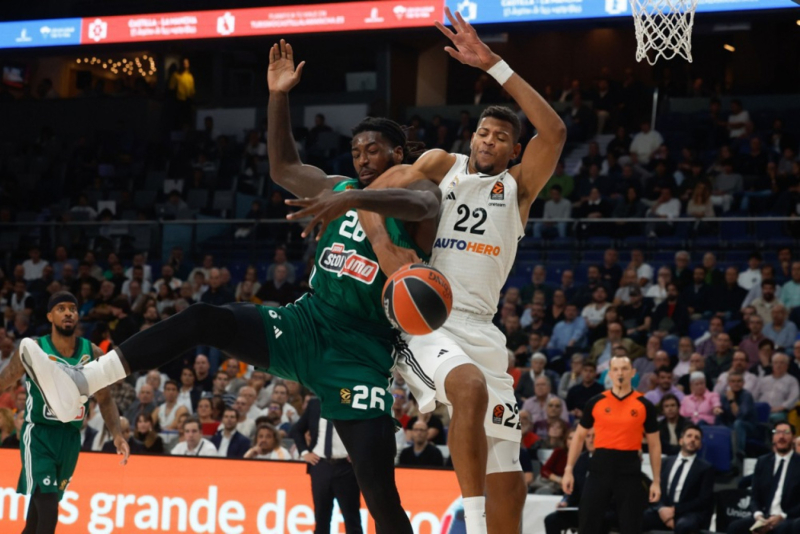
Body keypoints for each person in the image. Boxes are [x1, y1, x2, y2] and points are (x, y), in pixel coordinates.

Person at [20, 38, 440, 534]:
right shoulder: (339, 188)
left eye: (374, 150)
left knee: (381, 496)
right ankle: (82, 383)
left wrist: (354, 201)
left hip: (361, 351)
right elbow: (283, 169)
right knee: (205, 318)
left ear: (397, 152)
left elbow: (427, 206)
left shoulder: (411, 189)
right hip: (307, 323)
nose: (363, 159)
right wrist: (278, 96)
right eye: (356, 151)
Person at [348, 10, 565, 533]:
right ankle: (472, 523)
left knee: (509, 473)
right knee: (467, 388)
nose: (488, 140)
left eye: (499, 137)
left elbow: (555, 131)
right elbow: (370, 195)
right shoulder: (442, 165)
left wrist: (494, 65)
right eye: (483, 132)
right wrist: (384, 249)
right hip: (428, 320)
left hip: (483, 329)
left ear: (514, 150)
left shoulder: (519, 188)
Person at [1, 292, 129, 534]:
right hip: (39, 435)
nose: (68, 313)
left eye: (72, 308)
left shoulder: (92, 353)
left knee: (36, 519)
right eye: (61, 308)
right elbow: (4, 380)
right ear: (50, 316)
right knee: (48, 509)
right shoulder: (35, 350)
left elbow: (105, 399)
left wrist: (117, 434)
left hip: (70, 438)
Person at [562, 355, 661, 534]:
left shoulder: (644, 404)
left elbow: (654, 445)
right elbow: (578, 437)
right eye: (615, 369)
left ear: (633, 372)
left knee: (631, 526)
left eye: (624, 369)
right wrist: (568, 469)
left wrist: (656, 481)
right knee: (587, 523)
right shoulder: (596, 402)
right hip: (600, 468)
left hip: (629, 470)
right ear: (609, 374)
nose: (620, 373)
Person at [291, 397, 363, 534]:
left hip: (346, 467)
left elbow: (367, 431)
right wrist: (304, 452)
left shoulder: (353, 402)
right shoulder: (315, 404)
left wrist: (358, 452)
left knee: (352, 518)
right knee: (321, 518)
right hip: (321, 466)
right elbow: (297, 430)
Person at [726, 422, 800, 534]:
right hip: (764, 517)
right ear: (773, 438)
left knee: (783, 529)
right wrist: (758, 515)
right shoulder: (763, 462)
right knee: (735, 527)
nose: (781, 436)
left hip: (788, 518)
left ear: (793, 438)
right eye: (777, 432)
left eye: (786, 432)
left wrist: (782, 516)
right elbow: (755, 495)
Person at [642, 424, 714, 534]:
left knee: (684, 526)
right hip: (663, 509)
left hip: (688, 512)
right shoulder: (665, 462)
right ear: (680, 441)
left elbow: (703, 499)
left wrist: (674, 510)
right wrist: (661, 509)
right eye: (689, 436)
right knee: (638, 518)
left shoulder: (705, 468)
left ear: (700, 445)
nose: (693, 440)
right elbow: (656, 490)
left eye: (697, 438)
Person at [544, 428, 601, 534]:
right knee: (551, 520)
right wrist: (566, 502)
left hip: (601, 510)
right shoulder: (580, 460)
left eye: (594, 436)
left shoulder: (609, 461)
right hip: (580, 510)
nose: (591, 440)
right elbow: (574, 490)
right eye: (588, 436)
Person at [717, 371, 758, 456]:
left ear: (743, 383)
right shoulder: (724, 396)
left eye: (739, 381)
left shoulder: (747, 395)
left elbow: (740, 415)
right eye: (733, 381)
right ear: (729, 383)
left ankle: (738, 454)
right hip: (730, 426)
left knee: (738, 423)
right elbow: (721, 416)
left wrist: (732, 401)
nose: (736, 384)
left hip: (747, 427)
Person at [752, 353, 800, 422]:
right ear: (772, 365)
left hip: (779, 412)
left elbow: (793, 398)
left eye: (782, 363)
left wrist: (780, 408)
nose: (778, 365)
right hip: (760, 410)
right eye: (776, 363)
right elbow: (754, 396)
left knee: (772, 418)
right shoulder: (763, 380)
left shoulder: (792, 381)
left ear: (787, 366)